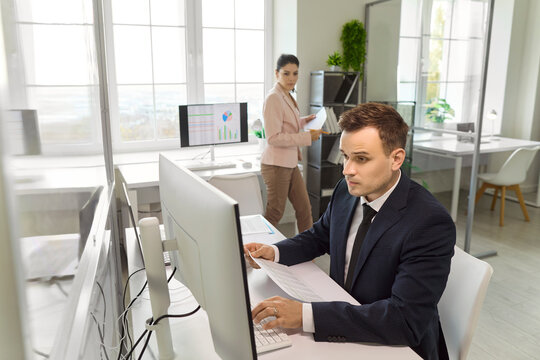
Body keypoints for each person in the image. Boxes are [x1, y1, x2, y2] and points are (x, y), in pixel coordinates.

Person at [245, 102, 456, 360]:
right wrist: (275, 252)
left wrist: (305, 315)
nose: (347, 170)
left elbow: (404, 321)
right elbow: (321, 235)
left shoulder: (429, 223)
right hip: (346, 325)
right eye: (345, 156)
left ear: (396, 159)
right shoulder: (347, 190)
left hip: (396, 347)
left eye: (361, 158)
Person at [261, 54, 325, 233]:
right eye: (286, 73)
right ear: (277, 73)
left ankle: (307, 252)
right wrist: (307, 137)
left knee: (304, 210)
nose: (291, 78)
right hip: (276, 165)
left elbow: (286, 123)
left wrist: (305, 121)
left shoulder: (286, 95)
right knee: (275, 213)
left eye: (295, 74)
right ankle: (255, 255)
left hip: (289, 163)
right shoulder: (274, 97)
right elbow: (273, 137)